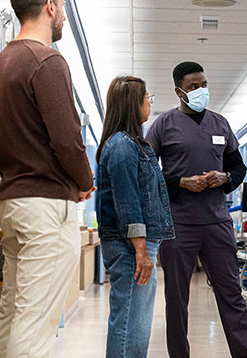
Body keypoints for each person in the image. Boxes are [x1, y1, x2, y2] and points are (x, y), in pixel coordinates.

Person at [0, 0, 96, 358]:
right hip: (46, 206)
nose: (63, 14)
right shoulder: (47, 60)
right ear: (50, 6)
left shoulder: (1, 63)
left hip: (14, 204)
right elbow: (67, 139)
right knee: (36, 325)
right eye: (62, 6)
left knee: (13, 312)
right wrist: (85, 180)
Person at [145, 61, 247, 358]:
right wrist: (180, 182)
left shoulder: (220, 124)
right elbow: (147, 174)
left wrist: (225, 178)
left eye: (204, 84)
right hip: (179, 224)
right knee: (177, 299)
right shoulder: (163, 125)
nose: (201, 90)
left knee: (232, 295)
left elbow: (238, 166)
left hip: (217, 222)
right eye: (194, 87)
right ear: (179, 91)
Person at [95, 76, 174, 358]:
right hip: (131, 246)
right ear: (133, 105)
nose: (149, 104)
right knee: (130, 322)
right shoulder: (122, 146)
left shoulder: (130, 144)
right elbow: (127, 201)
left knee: (134, 319)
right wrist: (141, 250)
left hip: (135, 244)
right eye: (146, 99)